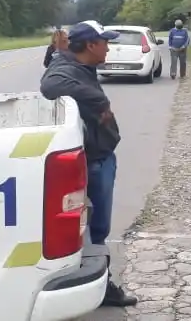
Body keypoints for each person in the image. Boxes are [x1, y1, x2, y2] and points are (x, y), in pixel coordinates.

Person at [40, 20, 137, 308]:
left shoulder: (79, 64)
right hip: (94, 163)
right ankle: (100, 287)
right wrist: (99, 101)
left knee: (94, 229)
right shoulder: (68, 69)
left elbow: (56, 63)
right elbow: (50, 84)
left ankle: (95, 283)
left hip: (101, 156)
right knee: (95, 229)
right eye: (105, 42)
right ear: (91, 45)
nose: (109, 47)